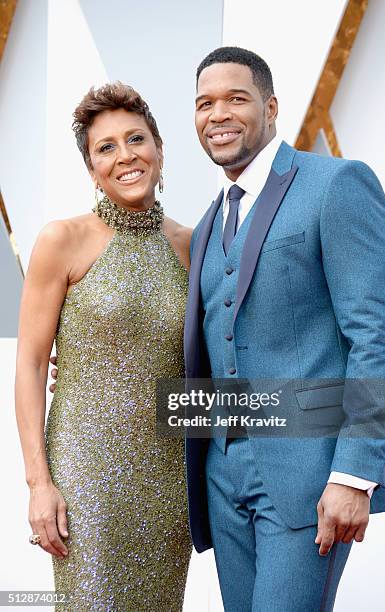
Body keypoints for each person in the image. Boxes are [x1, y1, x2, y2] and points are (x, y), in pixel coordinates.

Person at [184, 47, 385, 611]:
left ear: (272, 106)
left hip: (308, 474)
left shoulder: (336, 183)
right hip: (223, 475)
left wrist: (355, 475)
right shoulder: (210, 223)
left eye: (236, 98)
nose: (218, 114)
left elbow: (375, 336)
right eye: (205, 103)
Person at [15, 82, 192, 610]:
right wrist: (37, 484)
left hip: (168, 481)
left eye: (135, 138)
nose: (125, 156)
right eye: (106, 147)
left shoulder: (191, 244)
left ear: (159, 148)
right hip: (84, 477)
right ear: (92, 169)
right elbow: (28, 366)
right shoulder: (61, 240)